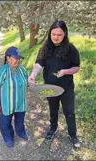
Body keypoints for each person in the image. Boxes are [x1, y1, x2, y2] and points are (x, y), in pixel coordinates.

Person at [28, 20, 80, 148]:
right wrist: (33, 74)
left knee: (69, 112)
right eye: (53, 34)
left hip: (66, 87)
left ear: (65, 34)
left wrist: (66, 71)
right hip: (50, 88)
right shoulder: (45, 48)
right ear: (50, 33)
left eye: (59, 35)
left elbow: (76, 67)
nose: (56, 37)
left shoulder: (71, 49)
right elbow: (39, 63)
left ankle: (72, 134)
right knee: (53, 110)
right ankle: (53, 128)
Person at [0, 46, 28, 148]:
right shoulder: (3, 71)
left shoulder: (22, 69)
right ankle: (8, 138)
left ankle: (21, 132)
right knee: (5, 124)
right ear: (8, 58)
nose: (18, 60)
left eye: (19, 58)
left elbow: (27, 82)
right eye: (15, 58)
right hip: (6, 104)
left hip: (20, 103)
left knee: (20, 121)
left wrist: (33, 83)